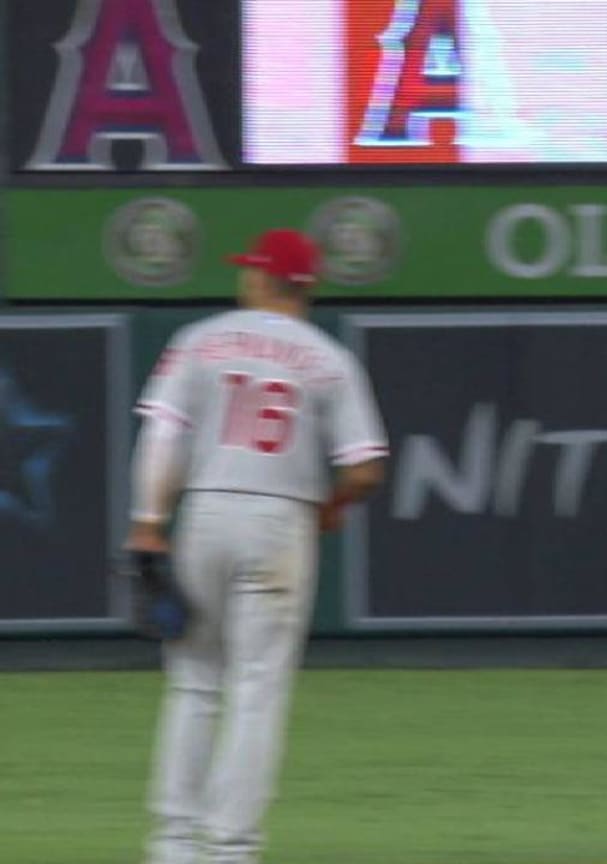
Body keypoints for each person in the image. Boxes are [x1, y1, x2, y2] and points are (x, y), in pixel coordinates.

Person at [125, 228, 389, 864]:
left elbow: (163, 439)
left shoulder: (199, 340)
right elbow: (366, 467)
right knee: (256, 689)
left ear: (262, 279)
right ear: (307, 288)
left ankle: (173, 845)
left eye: (249, 269)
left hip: (206, 512)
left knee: (193, 683)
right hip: (281, 524)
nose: (242, 278)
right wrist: (333, 508)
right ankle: (232, 849)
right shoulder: (330, 359)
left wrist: (148, 522)